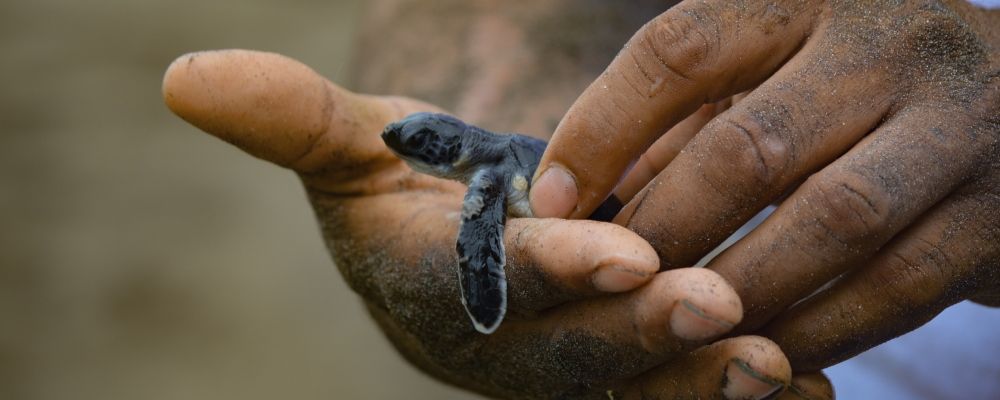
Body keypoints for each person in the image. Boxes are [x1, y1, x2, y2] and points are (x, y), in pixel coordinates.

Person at [162, 0, 997, 398]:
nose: (419, 156)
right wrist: (505, 83)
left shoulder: (487, 183)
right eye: (417, 146)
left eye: (422, 147)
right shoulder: (483, 172)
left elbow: (480, 230)